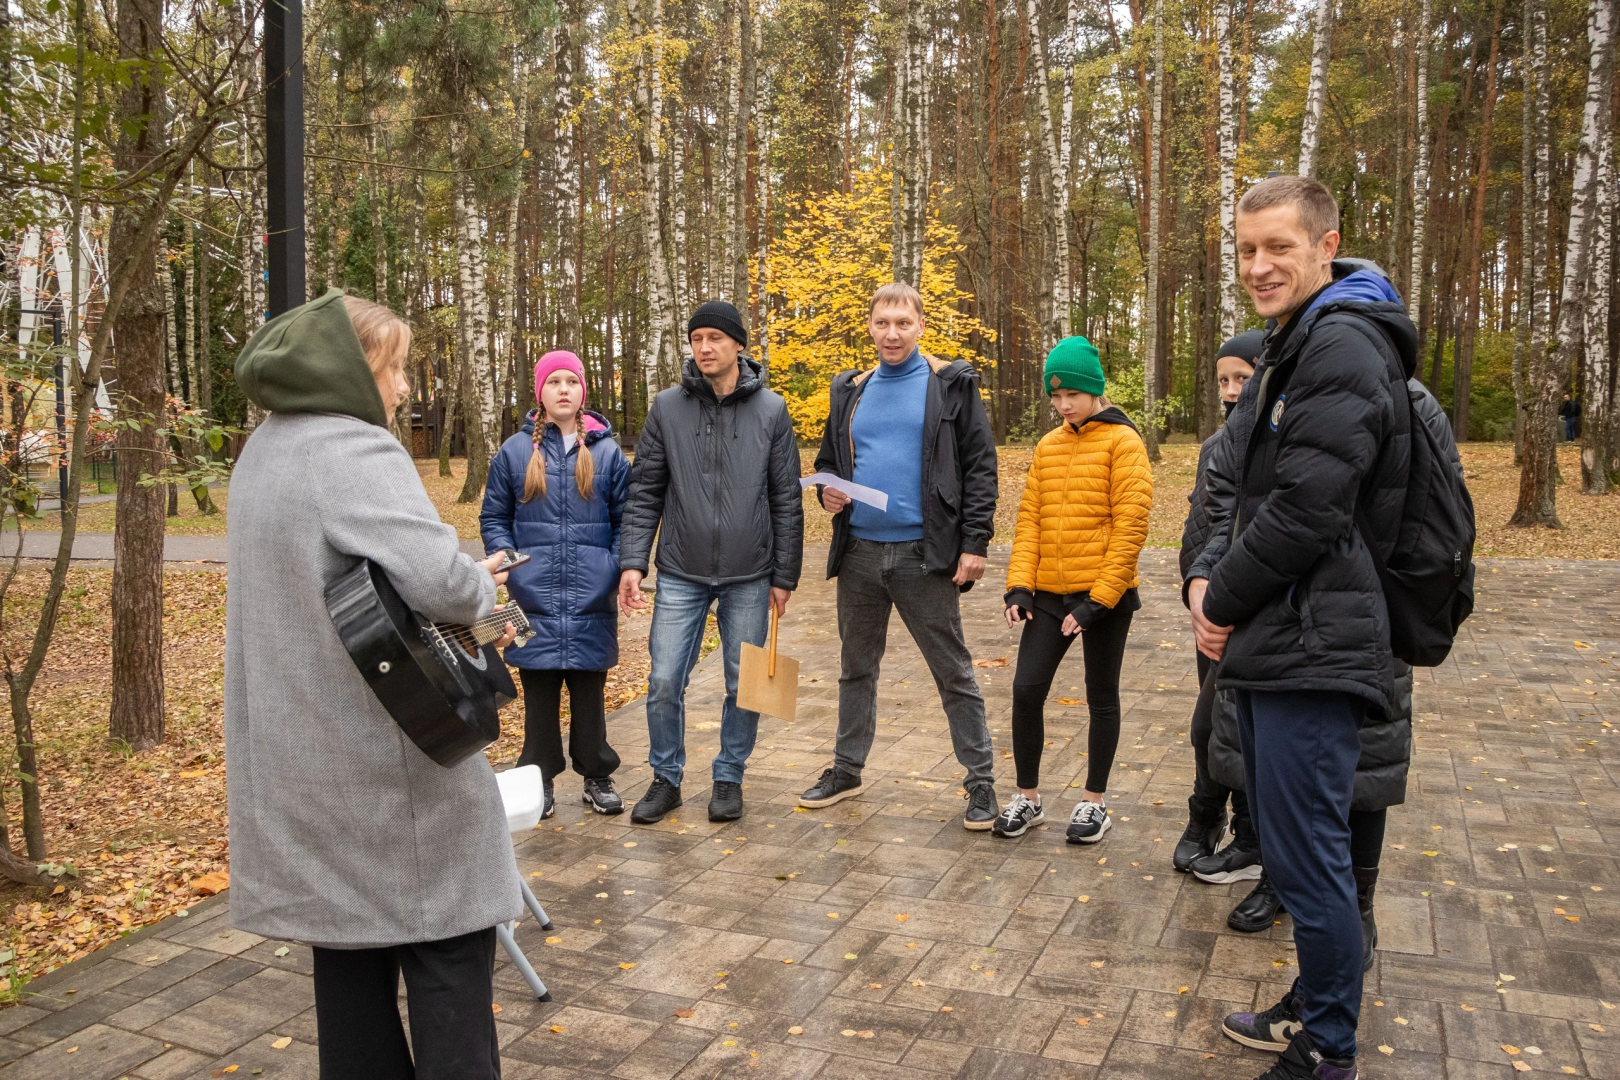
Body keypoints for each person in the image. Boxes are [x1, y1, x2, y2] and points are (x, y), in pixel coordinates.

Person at [226, 290, 519, 1079]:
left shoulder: (262, 450)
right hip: (391, 772)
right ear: (350, 370)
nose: (404, 387)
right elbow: (443, 584)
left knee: (350, 984)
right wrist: (481, 586)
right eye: (394, 368)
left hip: (304, 766)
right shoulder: (352, 450)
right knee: (450, 961)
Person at [1185, 175, 1417, 1080]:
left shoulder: (1343, 343)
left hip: (1314, 643)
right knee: (1297, 852)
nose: (1258, 266)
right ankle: (1315, 1013)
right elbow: (1240, 488)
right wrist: (1207, 573)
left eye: (1278, 246)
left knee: (1312, 860)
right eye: (1247, 250)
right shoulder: (1300, 340)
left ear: (1326, 246)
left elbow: (1306, 509)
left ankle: (1329, 1049)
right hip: (1286, 632)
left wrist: (1220, 601)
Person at [798, 282, 1001, 830]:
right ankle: (846, 770)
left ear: (920, 326)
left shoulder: (951, 384)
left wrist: (975, 543)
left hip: (924, 555)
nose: (892, 333)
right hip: (859, 553)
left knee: (953, 671)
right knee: (855, 669)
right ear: (870, 326)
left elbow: (980, 466)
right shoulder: (851, 390)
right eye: (883, 323)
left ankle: (981, 783)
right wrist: (827, 492)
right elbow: (828, 462)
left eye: (903, 323)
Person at [618, 300, 804, 824]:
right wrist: (633, 562)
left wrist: (784, 575)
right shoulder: (667, 408)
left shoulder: (772, 410)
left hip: (751, 573)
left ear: (738, 344)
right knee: (663, 680)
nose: (704, 347)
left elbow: (786, 499)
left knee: (744, 684)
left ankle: (729, 776)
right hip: (681, 570)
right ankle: (665, 779)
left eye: (715, 338)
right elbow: (644, 492)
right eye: (696, 338)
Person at [995, 336, 1152, 843]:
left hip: (1103, 596)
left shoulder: (1124, 442)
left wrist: (1097, 602)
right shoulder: (1048, 445)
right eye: (1056, 397)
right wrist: (1020, 586)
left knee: (1101, 696)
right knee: (1026, 689)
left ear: (1095, 391)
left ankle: (1094, 802)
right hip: (1047, 593)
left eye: (1073, 396)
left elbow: (1131, 528)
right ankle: (1028, 797)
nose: (1064, 405)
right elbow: (1030, 521)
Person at [481, 349, 632, 818]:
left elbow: (626, 520)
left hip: (592, 596)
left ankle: (596, 775)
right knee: (539, 694)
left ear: (582, 390)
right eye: (554, 382)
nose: (563, 389)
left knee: (589, 691)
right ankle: (539, 779)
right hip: (533, 596)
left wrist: (613, 566)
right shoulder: (515, 451)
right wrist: (513, 565)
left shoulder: (607, 452)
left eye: (571, 381)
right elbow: (495, 517)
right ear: (540, 391)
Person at [1174, 329, 1261, 874]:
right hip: (1209, 608)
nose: (1230, 390)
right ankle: (1208, 819)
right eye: (1223, 380)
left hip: (1252, 607)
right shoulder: (1214, 446)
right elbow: (1202, 525)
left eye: (1242, 379)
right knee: (1210, 724)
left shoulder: (1275, 442)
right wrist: (1194, 585)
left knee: (1230, 725)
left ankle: (1242, 828)